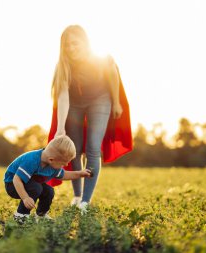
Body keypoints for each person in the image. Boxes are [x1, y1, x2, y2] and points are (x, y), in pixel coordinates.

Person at [47, 25, 133, 212]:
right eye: (67, 45)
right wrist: (60, 128)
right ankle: (77, 196)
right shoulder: (64, 65)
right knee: (74, 150)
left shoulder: (102, 58)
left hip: (100, 100)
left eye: (75, 43)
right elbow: (62, 97)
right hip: (74, 105)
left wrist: (117, 102)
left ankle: (86, 201)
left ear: (85, 42)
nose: (71, 48)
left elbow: (113, 75)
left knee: (93, 147)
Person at [4, 135, 92, 223]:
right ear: (51, 159)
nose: (65, 166)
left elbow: (64, 175)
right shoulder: (32, 160)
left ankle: (41, 215)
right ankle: (20, 215)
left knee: (49, 191)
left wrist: (80, 174)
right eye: (63, 164)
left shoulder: (52, 164)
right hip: (13, 184)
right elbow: (17, 179)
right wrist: (25, 198)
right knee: (36, 188)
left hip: (31, 184)